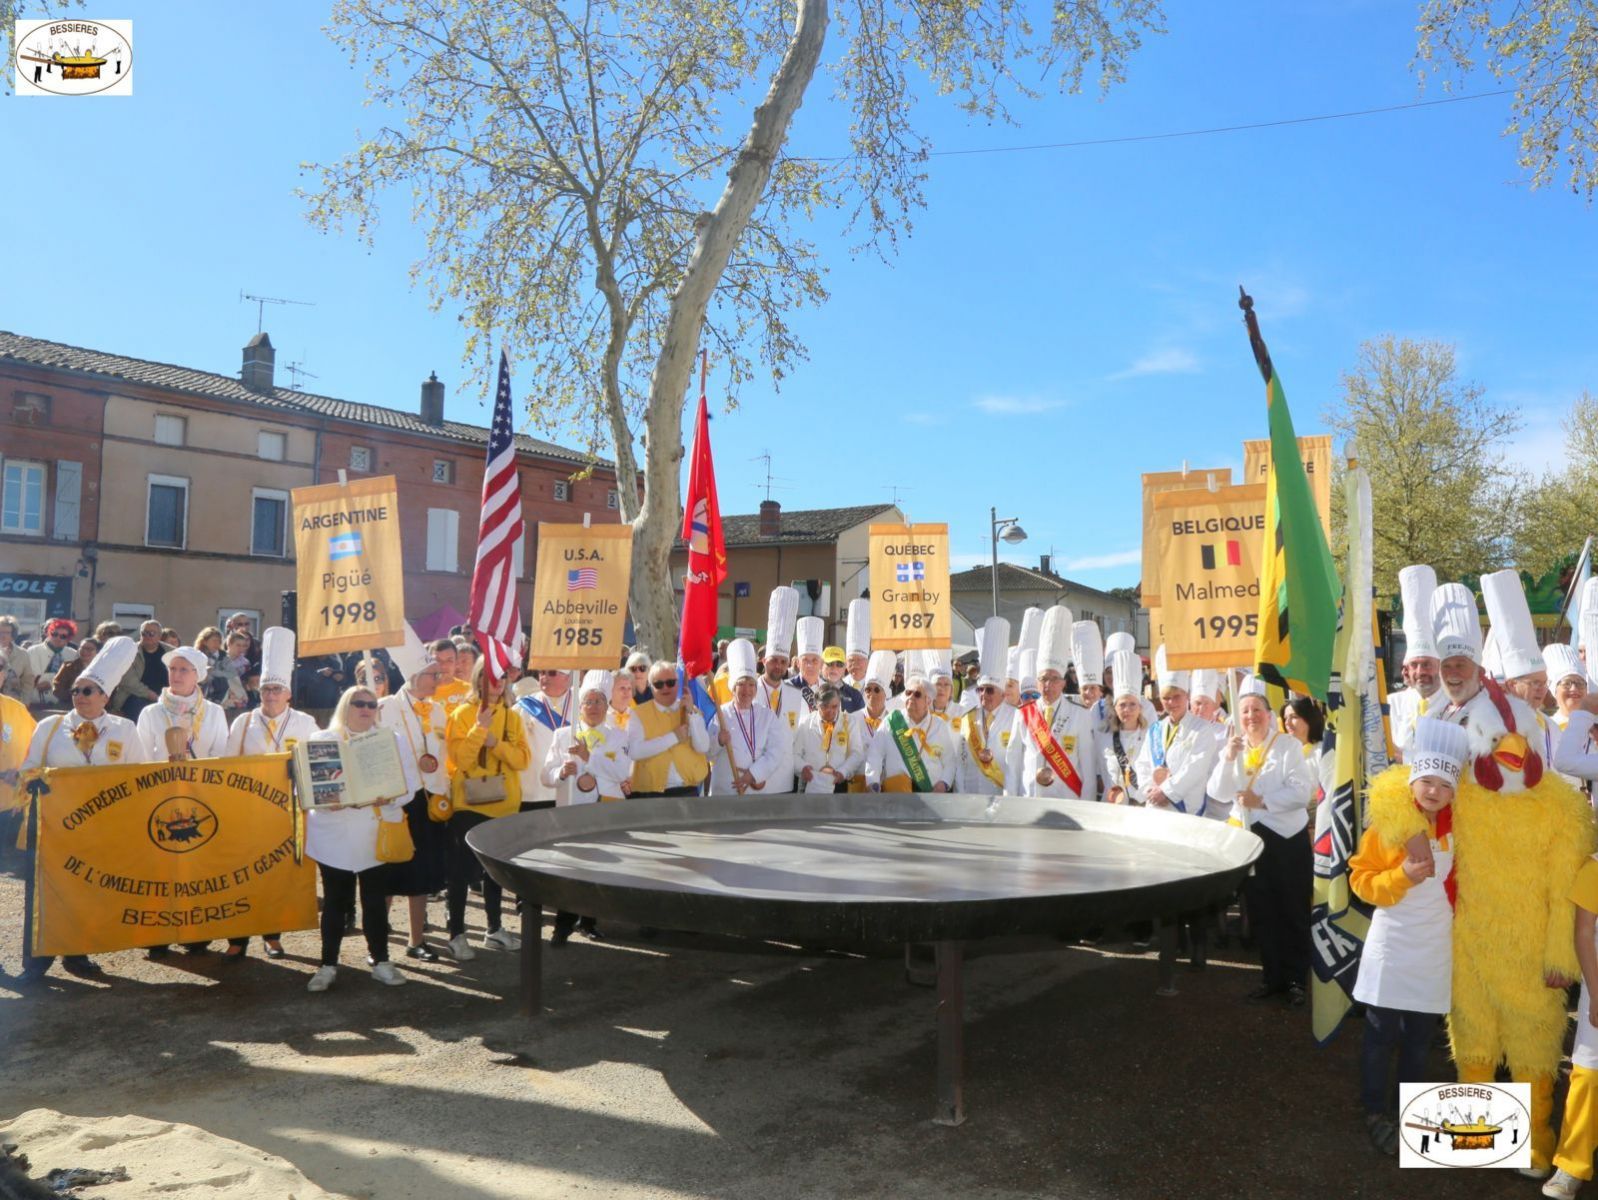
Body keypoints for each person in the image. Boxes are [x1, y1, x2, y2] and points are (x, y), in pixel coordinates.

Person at [1350, 717, 1467, 1157]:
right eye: (1426, 781)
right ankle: (1374, 1110)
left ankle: (1410, 1115)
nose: (1433, 790)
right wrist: (1401, 876)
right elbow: (1361, 881)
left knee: (1420, 1040)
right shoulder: (1388, 827)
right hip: (1393, 944)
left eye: (1444, 784)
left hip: (1434, 950)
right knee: (1380, 1035)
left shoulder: (1462, 829)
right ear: (1412, 781)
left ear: (1455, 792)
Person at [17, 636, 146, 982]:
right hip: (54, 829)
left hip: (100, 832)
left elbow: (139, 780)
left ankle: (77, 953)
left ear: (105, 696)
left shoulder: (125, 730)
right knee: (44, 893)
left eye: (89, 691)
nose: (80, 697)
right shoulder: (51, 727)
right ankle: (36, 960)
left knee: (87, 892)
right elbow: (28, 768)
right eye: (76, 690)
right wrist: (37, 780)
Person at [1209, 679, 1315, 1005]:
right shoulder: (1234, 747)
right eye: (1245, 711)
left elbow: (1302, 792)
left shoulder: (1287, 746)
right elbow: (1217, 792)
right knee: (1262, 912)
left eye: (1257, 709)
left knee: (1292, 910)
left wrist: (1262, 800)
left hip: (1286, 840)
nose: (1251, 716)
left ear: (1269, 714)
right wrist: (1228, 758)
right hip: (1251, 841)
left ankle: (1297, 979)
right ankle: (1272, 977)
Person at [220, 626, 319, 962]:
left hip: (287, 812)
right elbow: (228, 767)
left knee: (276, 877)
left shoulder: (305, 723)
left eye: (277, 689)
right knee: (242, 875)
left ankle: (273, 937)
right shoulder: (243, 722)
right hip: (249, 813)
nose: (271, 695)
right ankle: (237, 938)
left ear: (288, 693)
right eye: (265, 689)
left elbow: (318, 764)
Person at [302, 686, 409, 992]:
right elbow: (305, 788)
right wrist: (324, 799)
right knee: (336, 901)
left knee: (374, 901)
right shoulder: (323, 740)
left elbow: (410, 786)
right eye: (358, 703)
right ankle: (327, 965)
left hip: (374, 832)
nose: (365, 709)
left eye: (371, 704)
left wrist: (387, 797)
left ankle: (381, 961)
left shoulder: (391, 741)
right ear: (345, 707)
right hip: (333, 833)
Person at [444, 658, 529, 960]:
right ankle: (456, 934)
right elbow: (460, 760)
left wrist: (496, 743)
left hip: (504, 806)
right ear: (479, 678)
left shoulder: (513, 717)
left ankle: (494, 929)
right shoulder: (461, 714)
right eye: (492, 677)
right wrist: (479, 731)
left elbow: (522, 760)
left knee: (495, 873)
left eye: (503, 677)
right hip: (470, 804)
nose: (497, 683)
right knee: (462, 873)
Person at [541, 670, 634, 943]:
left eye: (599, 702)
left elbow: (620, 773)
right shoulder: (563, 735)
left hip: (603, 810)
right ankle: (562, 925)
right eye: (588, 702)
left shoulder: (618, 736)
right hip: (570, 812)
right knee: (570, 868)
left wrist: (588, 757)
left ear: (607, 706)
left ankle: (589, 921)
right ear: (579, 706)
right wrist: (562, 772)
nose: (593, 707)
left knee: (598, 866)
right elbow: (545, 776)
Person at [379, 657, 453, 962]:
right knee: (387, 868)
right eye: (432, 674)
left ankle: (416, 939)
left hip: (428, 800)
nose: (438, 678)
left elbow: (444, 755)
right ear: (413, 675)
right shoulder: (384, 707)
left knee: (421, 871)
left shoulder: (438, 710)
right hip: (394, 799)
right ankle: (378, 935)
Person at [1006, 607, 1100, 801]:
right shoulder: (1023, 713)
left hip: (1067, 798)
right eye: (1043, 679)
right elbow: (1013, 762)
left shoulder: (1080, 715)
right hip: (1030, 798)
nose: (1048, 685)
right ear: (1037, 681)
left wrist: (1086, 807)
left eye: (1054, 679)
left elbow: (1088, 768)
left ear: (1064, 683)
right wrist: (1010, 799)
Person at [1547, 850, 1598, 1198]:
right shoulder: (1595, 867)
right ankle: (1572, 1164)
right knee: (1589, 1074)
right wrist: (1596, 994)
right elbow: (1584, 934)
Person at [1132, 645, 1220, 818]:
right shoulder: (1155, 729)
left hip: (1185, 810)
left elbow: (1195, 769)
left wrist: (1167, 792)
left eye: (1176, 696)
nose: (1171, 702)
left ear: (1187, 695)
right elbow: (1141, 764)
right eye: (1166, 698)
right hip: (1155, 807)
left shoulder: (1202, 729)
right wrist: (1150, 790)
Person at [708, 639, 790, 796]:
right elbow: (707, 753)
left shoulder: (766, 715)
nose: (747, 690)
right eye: (741, 684)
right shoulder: (721, 714)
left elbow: (777, 750)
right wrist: (718, 741)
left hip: (756, 789)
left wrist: (753, 774)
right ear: (733, 688)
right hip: (726, 789)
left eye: (751, 685)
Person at [627, 661, 711, 798]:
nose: (665, 688)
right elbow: (635, 751)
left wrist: (691, 714)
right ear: (650, 686)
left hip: (687, 791)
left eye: (670, 682)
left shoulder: (692, 711)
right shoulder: (638, 713)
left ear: (678, 683)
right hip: (650, 794)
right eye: (659, 684)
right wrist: (673, 737)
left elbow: (703, 747)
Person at [866, 669, 956, 792]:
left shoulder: (939, 726)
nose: (911, 697)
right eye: (908, 693)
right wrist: (873, 781)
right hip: (897, 795)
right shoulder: (892, 721)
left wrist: (944, 783)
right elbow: (874, 753)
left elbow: (950, 761)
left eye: (917, 694)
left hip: (931, 796)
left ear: (928, 701)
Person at [135, 644, 228, 764]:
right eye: (172, 669)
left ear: (197, 675)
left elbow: (220, 757)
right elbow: (143, 759)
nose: (176, 675)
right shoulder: (150, 713)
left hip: (202, 781)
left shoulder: (215, 712)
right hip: (161, 781)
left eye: (183, 669)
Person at [953, 618, 1015, 796]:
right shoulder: (967, 718)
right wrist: (961, 794)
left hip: (1003, 798)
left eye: (989, 690)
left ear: (1003, 694)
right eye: (980, 690)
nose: (983, 695)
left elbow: (1017, 765)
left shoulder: (1015, 717)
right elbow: (959, 761)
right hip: (970, 798)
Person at [1388, 565, 1444, 761]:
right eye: (1414, 665)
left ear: (1439, 665)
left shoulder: (1455, 705)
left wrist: (1404, 757)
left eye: (1427, 664)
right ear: (1406, 669)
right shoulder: (1390, 705)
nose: (1420, 671)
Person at [1098, 648, 1151, 806]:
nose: (1127, 710)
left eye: (1132, 704)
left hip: (1142, 805)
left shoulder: (1150, 736)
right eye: (1122, 705)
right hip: (1113, 805)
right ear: (1115, 708)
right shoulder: (1105, 737)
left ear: (1140, 707)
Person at [516, 666, 574, 807]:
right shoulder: (523, 707)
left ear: (567, 677)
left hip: (572, 789)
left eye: (551, 672)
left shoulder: (582, 704)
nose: (544, 677)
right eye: (541, 672)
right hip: (533, 792)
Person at [793, 686, 862, 794]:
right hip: (809, 781)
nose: (830, 711)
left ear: (840, 703)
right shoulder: (805, 722)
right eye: (824, 706)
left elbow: (856, 753)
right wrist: (802, 768)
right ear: (816, 704)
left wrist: (843, 772)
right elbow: (794, 754)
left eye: (834, 706)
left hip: (838, 782)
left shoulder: (850, 722)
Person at [846, 651, 896, 791]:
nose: (871, 693)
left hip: (887, 785)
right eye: (867, 689)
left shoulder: (893, 720)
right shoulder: (852, 719)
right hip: (858, 783)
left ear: (885, 694)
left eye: (876, 690)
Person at [113, 620, 168, 719]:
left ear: (160, 636)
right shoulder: (130, 652)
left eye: (151, 633)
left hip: (165, 698)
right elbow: (128, 681)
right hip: (134, 696)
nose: (147, 636)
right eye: (144, 633)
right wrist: (153, 696)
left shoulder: (170, 652)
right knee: (139, 707)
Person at [26, 618, 78, 701]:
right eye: (54, 634)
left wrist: (50, 683)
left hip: (63, 703)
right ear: (49, 633)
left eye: (63, 636)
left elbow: (74, 680)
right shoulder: (32, 651)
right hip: (36, 702)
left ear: (68, 638)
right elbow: (29, 677)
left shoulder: (73, 655)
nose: (58, 638)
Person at [0, 617, 38, 704]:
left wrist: (24, 702)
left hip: (14, 704)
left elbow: (28, 681)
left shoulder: (22, 654)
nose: (3, 635)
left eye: (7, 632)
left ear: (13, 635)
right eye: (1, 632)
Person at [821, 646, 864, 714]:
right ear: (821, 665)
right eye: (830, 663)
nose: (834, 668)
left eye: (839, 664)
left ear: (844, 668)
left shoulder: (855, 695)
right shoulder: (812, 690)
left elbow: (862, 721)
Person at [429, 639, 469, 710]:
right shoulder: (420, 694)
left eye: (449, 660)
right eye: (437, 660)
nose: (443, 665)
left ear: (456, 663)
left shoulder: (470, 691)